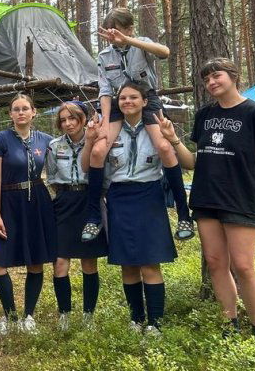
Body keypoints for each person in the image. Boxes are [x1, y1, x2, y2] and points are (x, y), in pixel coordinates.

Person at [158, 58, 255, 338]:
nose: (211, 82)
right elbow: (193, 161)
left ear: (233, 76)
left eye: (217, 76)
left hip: (241, 199)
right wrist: (174, 139)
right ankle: (229, 324)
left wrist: (251, 190)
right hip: (206, 197)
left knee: (244, 265)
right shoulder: (205, 115)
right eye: (207, 79)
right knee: (215, 262)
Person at [83, 7, 193, 243]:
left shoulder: (140, 43)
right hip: (118, 101)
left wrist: (129, 40)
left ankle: (184, 213)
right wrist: (103, 120)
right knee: (100, 150)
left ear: (129, 28)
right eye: (108, 32)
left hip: (146, 98)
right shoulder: (104, 55)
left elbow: (164, 52)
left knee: (164, 148)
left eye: (116, 31)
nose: (112, 37)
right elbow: (104, 90)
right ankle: (93, 216)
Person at [86, 81, 178, 336]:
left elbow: (172, 161)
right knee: (127, 263)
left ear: (144, 101)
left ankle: (155, 322)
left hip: (149, 196)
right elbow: (96, 164)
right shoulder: (111, 132)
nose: (127, 102)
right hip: (119, 197)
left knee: (150, 263)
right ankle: (136, 318)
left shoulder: (156, 129)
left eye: (133, 97)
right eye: (123, 98)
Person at [0, 94, 56, 337]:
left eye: (25, 108)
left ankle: (28, 317)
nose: (21, 112)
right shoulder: (0, 139)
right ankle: (10, 317)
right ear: (10, 114)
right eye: (16, 109)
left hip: (37, 201)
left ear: (34, 112)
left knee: (35, 261)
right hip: (9, 202)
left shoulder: (46, 140)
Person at [45, 102, 108, 331]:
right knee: (60, 262)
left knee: (88, 261)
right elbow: (52, 177)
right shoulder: (54, 146)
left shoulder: (97, 141)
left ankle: (88, 315)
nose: (68, 123)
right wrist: (63, 196)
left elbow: (101, 173)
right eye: (63, 120)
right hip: (64, 202)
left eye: (73, 118)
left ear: (82, 119)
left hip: (89, 200)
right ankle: (64, 314)